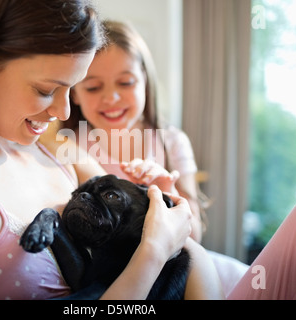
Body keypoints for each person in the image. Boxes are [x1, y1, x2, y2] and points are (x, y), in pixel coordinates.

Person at [0, 0, 223, 300]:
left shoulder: (61, 152)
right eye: (47, 89)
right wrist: (152, 254)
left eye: (72, 88)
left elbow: (191, 254)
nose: (64, 111)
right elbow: (163, 248)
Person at [61, 20, 249, 296]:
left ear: (145, 82)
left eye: (125, 82)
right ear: (74, 91)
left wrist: (168, 193)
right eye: (92, 87)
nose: (111, 97)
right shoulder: (70, 147)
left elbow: (193, 234)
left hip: (191, 273)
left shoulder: (170, 141)